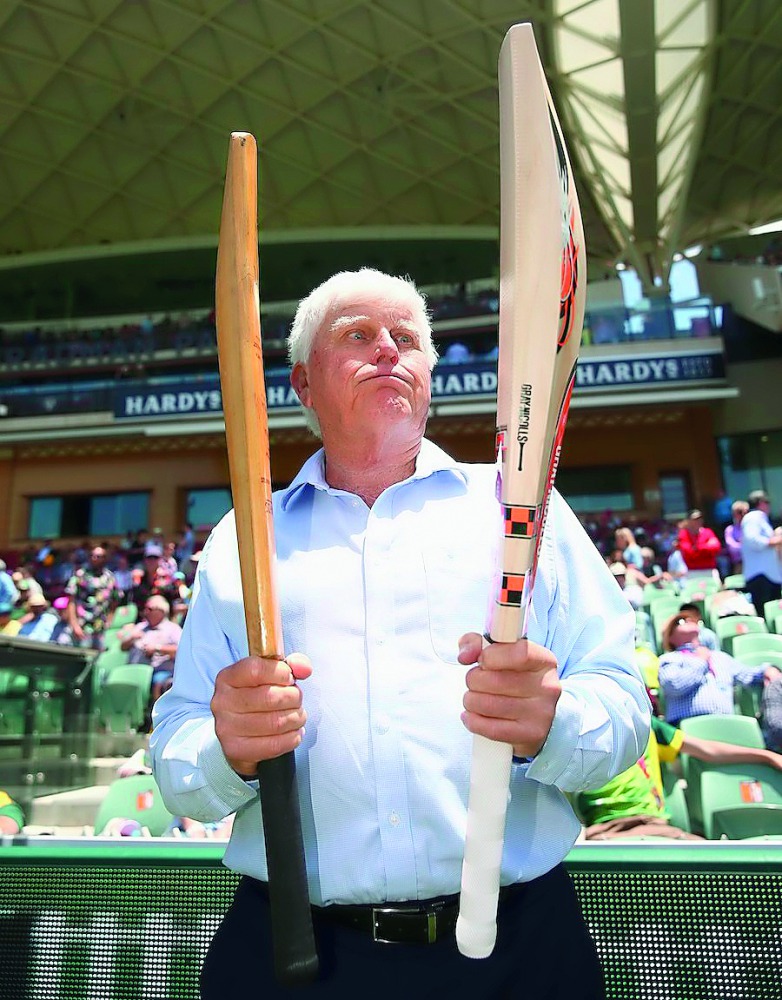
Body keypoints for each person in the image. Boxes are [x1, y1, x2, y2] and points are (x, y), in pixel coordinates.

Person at [150, 268, 650, 1000]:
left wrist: (555, 722)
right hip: (293, 953)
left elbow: (625, 708)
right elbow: (177, 761)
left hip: (517, 952)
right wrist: (227, 749)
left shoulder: (520, 507)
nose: (389, 349)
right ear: (302, 384)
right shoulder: (243, 540)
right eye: (358, 336)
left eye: (408, 339)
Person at [578, 713, 782, 840]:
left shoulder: (647, 724)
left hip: (653, 826)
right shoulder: (574, 729)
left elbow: (707, 750)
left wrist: (767, 756)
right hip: (604, 830)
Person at [657, 612, 780, 725]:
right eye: (681, 621)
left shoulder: (719, 657)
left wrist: (768, 670)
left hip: (726, 724)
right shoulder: (669, 659)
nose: (689, 621)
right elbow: (675, 685)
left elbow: (748, 675)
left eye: (692, 620)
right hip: (689, 725)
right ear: (670, 637)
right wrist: (700, 661)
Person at [118, 595, 183, 704]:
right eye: (145, 608)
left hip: (159, 671)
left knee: (158, 682)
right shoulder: (140, 627)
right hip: (134, 671)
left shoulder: (173, 629)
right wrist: (132, 637)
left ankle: (154, 716)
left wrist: (157, 648)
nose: (145, 612)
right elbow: (122, 647)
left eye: (150, 609)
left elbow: (181, 650)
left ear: (161, 611)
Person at [64, 545, 121, 650]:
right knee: (81, 658)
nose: (94, 558)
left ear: (105, 559)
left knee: (97, 661)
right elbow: (71, 601)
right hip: (82, 626)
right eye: (92, 556)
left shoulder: (110, 578)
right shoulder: (80, 575)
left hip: (100, 628)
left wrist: (110, 619)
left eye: (98, 556)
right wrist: (74, 624)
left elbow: (116, 599)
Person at [740, 490, 782, 614]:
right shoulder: (753, 517)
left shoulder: (760, 518)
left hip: (769, 575)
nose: (768, 505)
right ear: (759, 503)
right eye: (766, 502)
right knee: (764, 613)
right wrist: (777, 540)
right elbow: (753, 540)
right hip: (760, 576)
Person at [676, 509, 721, 581]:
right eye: (695, 519)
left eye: (700, 518)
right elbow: (688, 552)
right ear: (688, 521)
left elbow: (716, 548)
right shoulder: (684, 534)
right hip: (693, 572)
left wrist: (697, 548)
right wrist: (706, 547)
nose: (699, 521)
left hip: (710, 570)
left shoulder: (708, 532)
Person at [724, 500, 749, 576]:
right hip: (739, 564)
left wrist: (742, 543)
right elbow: (732, 548)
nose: (741, 515)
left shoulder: (752, 528)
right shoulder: (730, 530)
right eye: (738, 512)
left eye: (743, 512)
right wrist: (747, 545)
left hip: (756, 561)